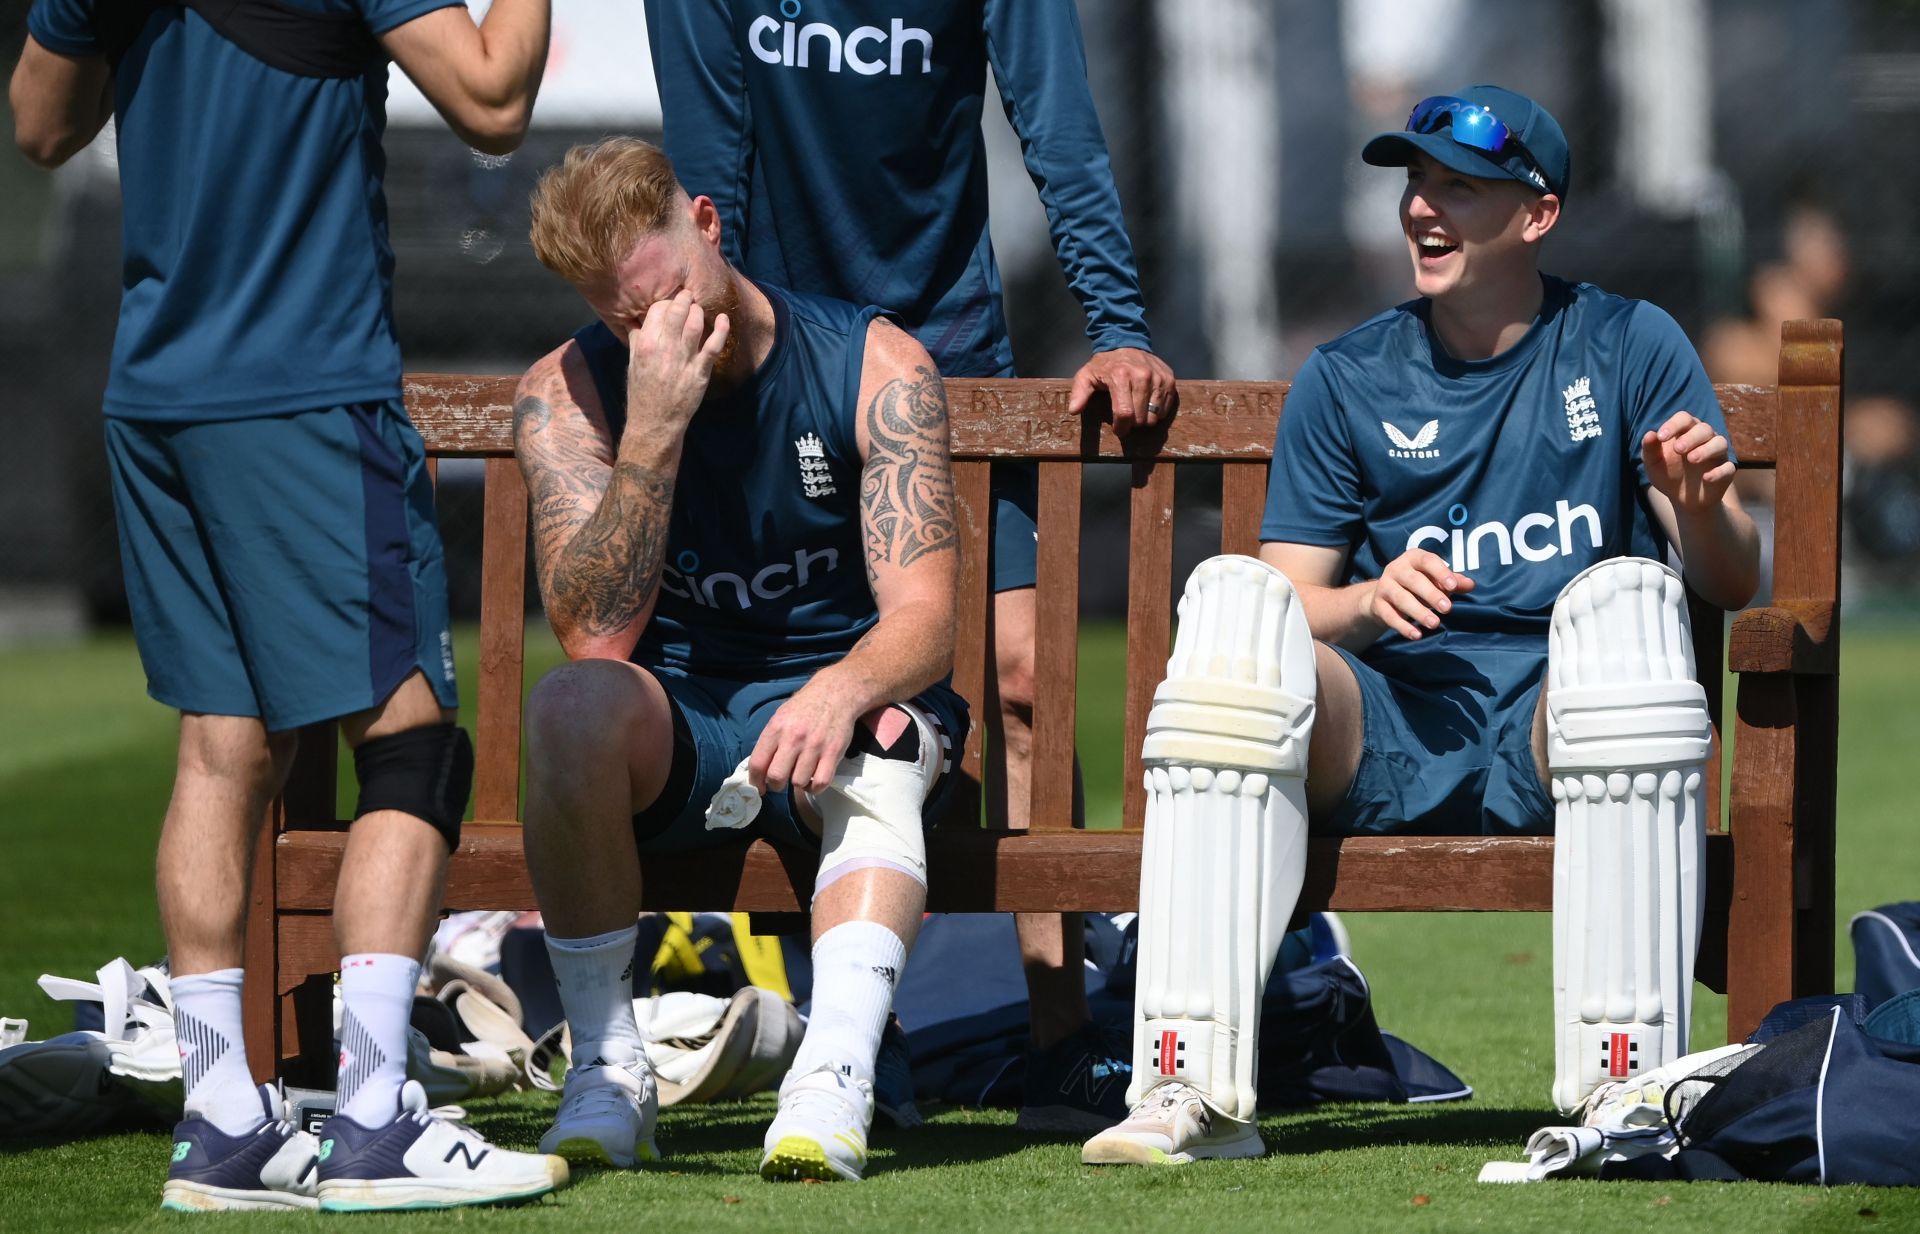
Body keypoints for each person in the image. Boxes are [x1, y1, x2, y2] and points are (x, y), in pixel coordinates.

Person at [1081, 85, 1760, 1166]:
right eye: (1416, 182)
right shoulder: (1351, 375)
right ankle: (1186, 1087)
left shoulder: (1630, 344)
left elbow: (1730, 581)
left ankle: (1625, 1093)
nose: (1422, 209)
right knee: (1227, 617)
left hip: (1562, 718)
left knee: (1631, 614)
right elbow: (1285, 596)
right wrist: (1363, 601)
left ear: (1535, 214)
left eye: (1460, 186)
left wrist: (1709, 506)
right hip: (1395, 720)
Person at [9, 0, 565, 1212]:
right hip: (307, 397)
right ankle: (372, 1120)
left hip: (156, 396)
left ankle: (223, 1126)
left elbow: (39, 125)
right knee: (414, 745)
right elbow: (493, 101)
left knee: (222, 749)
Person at [642, 0, 1173, 1131]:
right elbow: (707, 163)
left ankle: (1063, 1038)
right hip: (782, 365)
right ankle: (857, 1043)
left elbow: (1059, 130)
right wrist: (726, 354)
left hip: (949, 354)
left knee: (1027, 680)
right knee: (788, 690)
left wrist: (1117, 323)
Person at [513, 137, 967, 1183]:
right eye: (626, 317)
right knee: (570, 707)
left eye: (668, 294)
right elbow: (595, 640)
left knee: (885, 739)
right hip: (681, 716)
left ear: (708, 226)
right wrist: (653, 431)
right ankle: (608, 1072)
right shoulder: (571, 390)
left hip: (837, 706)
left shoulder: (876, 365)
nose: (657, 330)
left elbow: (927, 621)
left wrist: (839, 687)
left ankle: (831, 1079)